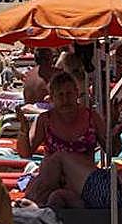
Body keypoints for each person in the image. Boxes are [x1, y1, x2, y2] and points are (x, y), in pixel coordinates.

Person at [17, 73, 106, 205]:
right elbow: (25, 153)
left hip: (81, 179)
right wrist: (23, 131)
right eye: (60, 95)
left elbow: (112, 150)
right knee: (55, 194)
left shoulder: (92, 118)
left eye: (69, 94)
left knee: (59, 159)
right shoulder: (45, 120)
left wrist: (113, 126)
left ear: (77, 93)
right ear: (52, 98)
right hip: (52, 181)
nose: (65, 99)